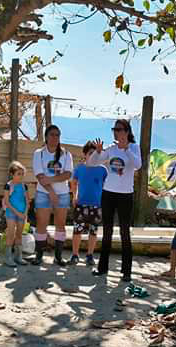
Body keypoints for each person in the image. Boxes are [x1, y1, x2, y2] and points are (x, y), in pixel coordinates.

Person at [88, 119, 142, 281]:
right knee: (107, 231)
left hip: (125, 195)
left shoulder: (134, 147)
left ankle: (126, 271)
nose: (116, 132)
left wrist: (126, 150)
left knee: (125, 232)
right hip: (108, 193)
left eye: (119, 129)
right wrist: (97, 152)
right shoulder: (111, 149)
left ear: (127, 131)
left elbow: (138, 165)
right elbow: (91, 163)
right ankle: (102, 268)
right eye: (114, 130)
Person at [31, 125, 73, 266]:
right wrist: (51, 191)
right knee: (41, 224)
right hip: (44, 193)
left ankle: (58, 256)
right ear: (46, 136)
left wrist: (51, 180)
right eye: (52, 135)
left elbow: (68, 174)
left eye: (58, 135)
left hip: (63, 193)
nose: (55, 138)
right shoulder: (39, 153)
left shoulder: (66, 154)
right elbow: (40, 176)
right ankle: (39, 255)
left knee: (60, 224)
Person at [69, 141, 107, 266]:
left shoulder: (103, 170)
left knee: (93, 231)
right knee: (77, 230)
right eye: (90, 153)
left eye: (96, 153)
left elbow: (107, 186)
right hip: (81, 204)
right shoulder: (80, 168)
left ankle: (90, 255)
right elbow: (73, 183)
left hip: (97, 205)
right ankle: (75, 254)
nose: (93, 156)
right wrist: (74, 197)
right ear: (85, 154)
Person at [2, 161, 29, 267]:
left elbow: (27, 200)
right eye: (18, 174)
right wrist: (17, 213)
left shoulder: (24, 186)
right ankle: (8, 258)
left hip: (22, 214)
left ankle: (18, 257)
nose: (21, 176)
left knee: (19, 235)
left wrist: (25, 212)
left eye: (22, 174)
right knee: (11, 234)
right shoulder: (8, 186)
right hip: (11, 213)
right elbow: (7, 202)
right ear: (12, 174)